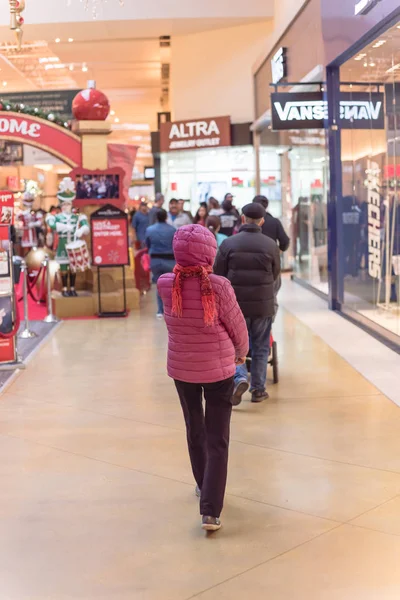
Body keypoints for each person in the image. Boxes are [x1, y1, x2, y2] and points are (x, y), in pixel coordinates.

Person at [158, 225, 248, 532]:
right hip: (219, 369)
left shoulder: (166, 283)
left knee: (193, 427)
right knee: (217, 438)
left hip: (182, 369)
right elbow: (236, 325)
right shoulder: (219, 285)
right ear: (210, 251)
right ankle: (210, 510)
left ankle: (202, 482)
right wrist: (241, 352)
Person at [214, 203, 281, 404]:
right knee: (261, 346)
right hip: (263, 306)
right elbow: (276, 274)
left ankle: (240, 377)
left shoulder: (228, 244)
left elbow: (219, 274)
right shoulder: (271, 245)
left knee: (235, 345)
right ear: (262, 221)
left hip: (235, 307)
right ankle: (258, 390)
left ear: (242, 219)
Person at [46, 177, 90, 297]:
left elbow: (86, 227)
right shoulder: (57, 217)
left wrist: (81, 230)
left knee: (73, 267)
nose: (66, 206)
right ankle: (64, 288)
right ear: (61, 205)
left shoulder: (77, 217)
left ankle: (72, 288)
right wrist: (67, 228)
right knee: (64, 267)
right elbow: (52, 224)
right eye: (64, 204)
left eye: (68, 204)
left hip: (74, 242)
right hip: (63, 243)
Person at [145, 208, 176, 318]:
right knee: (172, 286)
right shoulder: (173, 230)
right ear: (166, 217)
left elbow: (147, 244)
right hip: (170, 260)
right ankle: (172, 309)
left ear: (156, 217)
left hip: (155, 260)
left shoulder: (149, 230)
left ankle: (160, 310)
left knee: (159, 285)